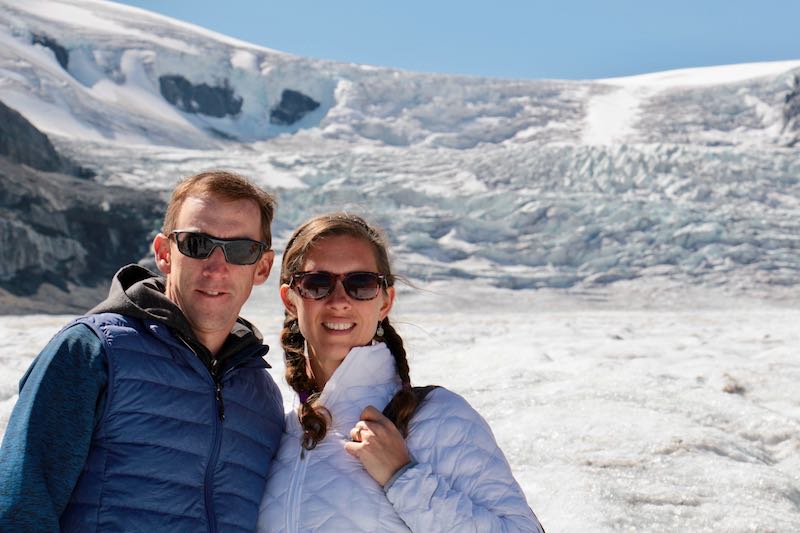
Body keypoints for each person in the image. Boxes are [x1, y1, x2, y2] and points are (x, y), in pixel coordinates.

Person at [0, 170, 285, 532]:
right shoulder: (93, 352)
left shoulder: (262, 397)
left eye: (241, 249)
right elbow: (21, 506)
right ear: (164, 254)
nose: (217, 267)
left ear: (262, 267)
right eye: (196, 244)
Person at [256, 213, 544, 532]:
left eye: (360, 284)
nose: (339, 301)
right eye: (317, 284)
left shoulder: (437, 417)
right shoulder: (277, 430)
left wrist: (403, 477)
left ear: (384, 301)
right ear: (290, 300)